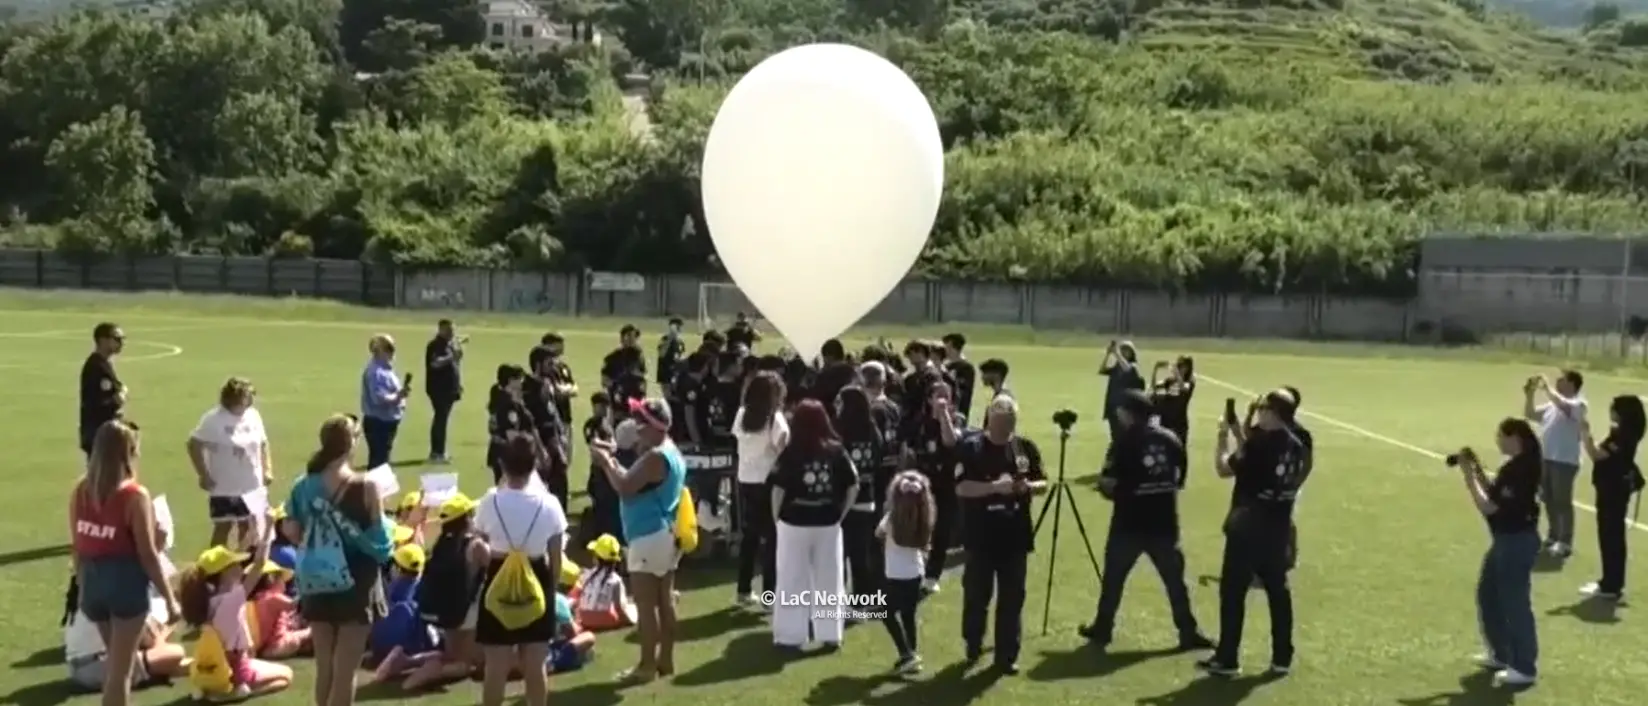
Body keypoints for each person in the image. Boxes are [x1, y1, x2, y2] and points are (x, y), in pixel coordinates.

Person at [1081, 391, 1211, 651]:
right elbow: (1179, 478)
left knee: (1114, 580)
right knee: (1175, 582)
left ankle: (1103, 629)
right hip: (1164, 523)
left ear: (1129, 413)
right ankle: (1188, 631)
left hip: (1128, 524)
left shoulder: (1122, 442)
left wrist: (1108, 488)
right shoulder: (1172, 439)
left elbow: (1109, 482)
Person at [280, 414, 394, 706]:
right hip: (356, 582)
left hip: (316, 579)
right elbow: (381, 544)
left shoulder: (303, 485)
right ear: (352, 444)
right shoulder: (366, 486)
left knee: (325, 669)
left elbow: (291, 531)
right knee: (345, 673)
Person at [1199, 390, 1310, 678]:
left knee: (1233, 593)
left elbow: (1224, 469)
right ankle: (1282, 657)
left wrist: (1223, 437)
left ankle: (1227, 658)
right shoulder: (1297, 444)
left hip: (1247, 528)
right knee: (1278, 591)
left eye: (1262, 408)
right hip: (1278, 527)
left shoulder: (1260, 444)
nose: (1258, 412)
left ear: (1272, 412)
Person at [71, 419, 181, 706]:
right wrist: (170, 599)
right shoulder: (134, 495)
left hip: (93, 583)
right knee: (121, 674)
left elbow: (79, 546)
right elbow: (147, 553)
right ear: (127, 452)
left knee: (119, 667)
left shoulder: (81, 490)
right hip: (124, 585)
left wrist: (82, 588)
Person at [590, 398, 688, 681]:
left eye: (642, 423)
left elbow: (624, 486)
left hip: (647, 536)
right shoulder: (669, 452)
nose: (637, 428)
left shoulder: (655, 457)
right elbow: (635, 479)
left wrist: (606, 462)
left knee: (647, 605)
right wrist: (616, 458)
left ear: (657, 426)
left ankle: (646, 667)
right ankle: (665, 661)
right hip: (663, 535)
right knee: (664, 600)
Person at [954, 396, 1047, 674]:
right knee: (976, 595)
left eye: (1011, 422)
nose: (1007, 428)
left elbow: (1042, 482)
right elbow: (961, 487)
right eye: (1002, 422)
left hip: (1015, 537)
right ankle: (973, 641)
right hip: (980, 537)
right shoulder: (971, 447)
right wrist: (995, 487)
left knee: (1012, 598)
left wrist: (1026, 487)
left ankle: (1006, 656)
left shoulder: (1024, 447)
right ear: (990, 419)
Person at [475, 437, 566, 706]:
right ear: (535, 465)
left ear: (503, 465)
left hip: (498, 574)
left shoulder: (490, 501)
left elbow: (478, 543)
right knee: (535, 665)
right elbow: (556, 557)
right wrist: (553, 590)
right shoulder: (549, 504)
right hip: (537, 576)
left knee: (496, 666)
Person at [1456, 418, 1544, 688]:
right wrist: (1477, 469)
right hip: (1507, 540)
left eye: (1500, 436)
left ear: (1514, 437)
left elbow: (1490, 508)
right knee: (1489, 594)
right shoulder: (1518, 466)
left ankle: (1524, 666)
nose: (1497, 441)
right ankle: (1502, 654)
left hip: (1516, 542)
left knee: (1514, 603)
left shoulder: (1519, 470)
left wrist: (1469, 478)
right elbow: (1496, 495)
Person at [770, 400, 859, 649]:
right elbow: (854, 484)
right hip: (827, 522)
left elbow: (778, 489)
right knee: (830, 579)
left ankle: (790, 636)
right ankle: (830, 634)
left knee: (791, 578)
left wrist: (777, 519)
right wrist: (841, 513)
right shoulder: (836, 450)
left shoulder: (790, 451)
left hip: (794, 523)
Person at [178, 540, 293, 700]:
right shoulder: (233, 598)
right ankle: (237, 692)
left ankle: (208, 689)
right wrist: (267, 530)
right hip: (234, 669)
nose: (239, 566)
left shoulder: (205, 601)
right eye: (234, 564)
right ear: (224, 573)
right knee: (286, 676)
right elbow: (259, 564)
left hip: (211, 665)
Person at [62, 571, 190, 694]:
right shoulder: (117, 588)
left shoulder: (95, 580)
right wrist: (160, 640)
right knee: (175, 653)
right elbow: (144, 638)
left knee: (162, 648)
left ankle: (160, 667)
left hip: (83, 664)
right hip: (95, 666)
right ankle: (161, 668)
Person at [409, 493, 487, 691]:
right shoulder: (475, 545)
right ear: (467, 518)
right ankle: (431, 672)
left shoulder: (441, 544)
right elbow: (495, 565)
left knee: (452, 654)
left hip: (444, 612)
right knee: (469, 664)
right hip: (466, 612)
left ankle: (406, 662)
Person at [188, 377, 272, 549]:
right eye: (247, 396)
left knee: (249, 529)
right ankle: (215, 570)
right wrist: (203, 474)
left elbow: (263, 443)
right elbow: (194, 444)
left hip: (251, 485)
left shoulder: (253, 416)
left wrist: (267, 468)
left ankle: (244, 567)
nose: (251, 400)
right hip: (224, 486)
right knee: (222, 528)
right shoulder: (213, 419)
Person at [1580, 395, 1646, 600]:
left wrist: (1585, 435)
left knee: (1611, 535)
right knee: (1612, 535)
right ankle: (1610, 581)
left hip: (1613, 489)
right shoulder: (1627, 432)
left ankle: (1611, 584)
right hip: (1614, 488)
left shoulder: (1622, 436)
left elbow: (1597, 455)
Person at [733, 372, 788, 606]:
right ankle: (769, 595)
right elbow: (784, 440)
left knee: (750, 538)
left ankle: (743, 590)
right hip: (767, 482)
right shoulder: (774, 418)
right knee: (772, 540)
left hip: (745, 480)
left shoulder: (742, 414)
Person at [1522, 370, 1587, 558]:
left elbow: (1563, 405)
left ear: (1573, 384)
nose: (1558, 381)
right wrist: (1530, 394)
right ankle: (1554, 535)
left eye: (1563, 379)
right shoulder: (1552, 405)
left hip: (1565, 460)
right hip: (1547, 458)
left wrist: (1547, 387)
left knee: (1562, 501)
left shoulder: (1579, 404)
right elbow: (1530, 414)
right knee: (1547, 498)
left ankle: (1565, 542)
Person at [877, 470, 934, 675]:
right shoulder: (924, 519)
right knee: (908, 615)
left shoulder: (891, 519)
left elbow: (878, 533)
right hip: (915, 573)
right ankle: (912, 655)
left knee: (885, 612)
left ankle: (906, 653)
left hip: (894, 574)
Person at [910, 380, 963, 592]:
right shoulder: (920, 423)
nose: (942, 399)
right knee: (919, 527)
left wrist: (944, 417)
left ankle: (933, 575)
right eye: (938, 395)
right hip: (922, 482)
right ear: (930, 399)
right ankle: (915, 568)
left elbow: (950, 441)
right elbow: (911, 451)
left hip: (946, 484)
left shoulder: (956, 420)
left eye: (946, 396)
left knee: (942, 529)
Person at [836, 385, 885, 605]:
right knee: (860, 556)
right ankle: (862, 601)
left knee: (840, 554)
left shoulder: (840, 431)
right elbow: (879, 458)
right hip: (868, 498)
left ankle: (837, 599)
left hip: (844, 502)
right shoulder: (873, 429)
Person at [361, 334, 409, 469]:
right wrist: (398, 397)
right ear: (378, 351)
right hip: (378, 423)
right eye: (388, 349)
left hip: (386, 421)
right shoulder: (376, 372)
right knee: (379, 463)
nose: (392, 352)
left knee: (382, 460)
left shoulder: (386, 369)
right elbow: (378, 399)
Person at [79, 322, 126, 459]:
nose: (121, 343)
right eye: (117, 339)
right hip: (99, 434)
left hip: (103, 433)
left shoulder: (103, 364)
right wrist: (119, 398)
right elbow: (97, 403)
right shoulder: (96, 367)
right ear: (102, 340)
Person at [582, 392, 623, 545]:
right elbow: (593, 442)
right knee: (600, 504)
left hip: (609, 468)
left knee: (610, 504)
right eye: (600, 406)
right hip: (598, 470)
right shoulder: (591, 424)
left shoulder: (607, 423)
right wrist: (612, 445)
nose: (603, 410)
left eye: (605, 406)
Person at [424, 319, 465, 465]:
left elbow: (453, 366)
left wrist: (457, 384)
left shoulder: (448, 345)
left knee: (442, 419)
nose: (451, 333)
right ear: (441, 329)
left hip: (448, 388)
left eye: (453, 330)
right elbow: (435, 363)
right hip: (439, 389)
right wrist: (451, 356)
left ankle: (439, 451)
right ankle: (437, 452)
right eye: (449, 330)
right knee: (440, 419)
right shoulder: (435, 345)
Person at [486, 365, 535, 483]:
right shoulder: (508, 405)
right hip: (507, 453)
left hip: (499, 450)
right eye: (519, 379)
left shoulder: (499, 397)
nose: (522, 383)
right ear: (511, 381)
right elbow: (511, 434)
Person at [1099, 340, 1145, 441]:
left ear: (1132, 353)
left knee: (1123, 436)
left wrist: (1116, 353)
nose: (1124, 353)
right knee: (1114, 436)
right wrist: (1108, 354)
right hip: (1112, 406)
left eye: (1126, 351)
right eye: (1122, 350)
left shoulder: (1133, 367)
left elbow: (1127, 369)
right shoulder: (1117, 367)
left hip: (1125, 408)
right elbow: (1101, 370)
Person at [1150, 357, 1196, 458]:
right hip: (1166, 421)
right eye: (1179, 366)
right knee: (1165, 449)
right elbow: (1154, 386)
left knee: (1180, 450)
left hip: (1180, 422)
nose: (1180, 368)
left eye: (1182, 366)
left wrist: (1177, 374)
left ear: (1187, 368)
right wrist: (1155, 369)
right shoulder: (1170, 381)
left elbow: (1184, 388)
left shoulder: (1189, 382)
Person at [601, 325, 648, 399]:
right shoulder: (612, 358)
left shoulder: (639, 356)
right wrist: (616, 386)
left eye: (635, 336)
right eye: (629, 336)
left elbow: (644, 376)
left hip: (637, 399)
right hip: (619, 399)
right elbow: (605, 380)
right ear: (622, 338)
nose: (633, 339)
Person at [942, 334, 978, 425]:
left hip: (958, 414)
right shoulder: (946, 366)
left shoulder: (966, 368)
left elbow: (962, 392)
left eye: (946, 346)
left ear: (952, 347)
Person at [657, 317, 687, 386]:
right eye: (679, 327)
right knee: (668, 395)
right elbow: (661, 354)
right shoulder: (664, 339)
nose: (680, 329)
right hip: (665, 373)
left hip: (676, 373)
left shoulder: (680, 342)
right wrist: (670, 337)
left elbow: (682, 356)